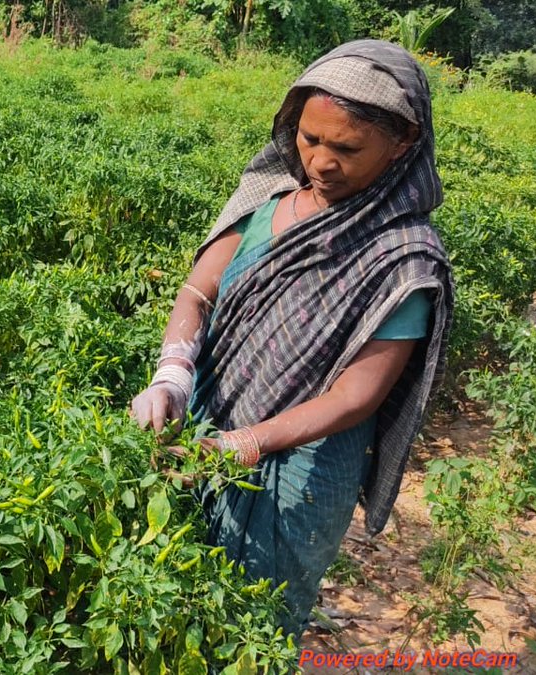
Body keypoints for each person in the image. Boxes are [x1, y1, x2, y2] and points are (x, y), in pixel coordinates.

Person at [129, 39, 455, 642]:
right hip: (206, 419)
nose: (320, 163)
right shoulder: (269, 196)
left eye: (347, 148)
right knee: (171, 593)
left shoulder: (402, 257)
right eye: (309, 138)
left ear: (403, 143)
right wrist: (172, 371)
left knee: (254, 620)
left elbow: (357, 395)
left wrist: (247, 444)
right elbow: (198, 292)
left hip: (301, 466)